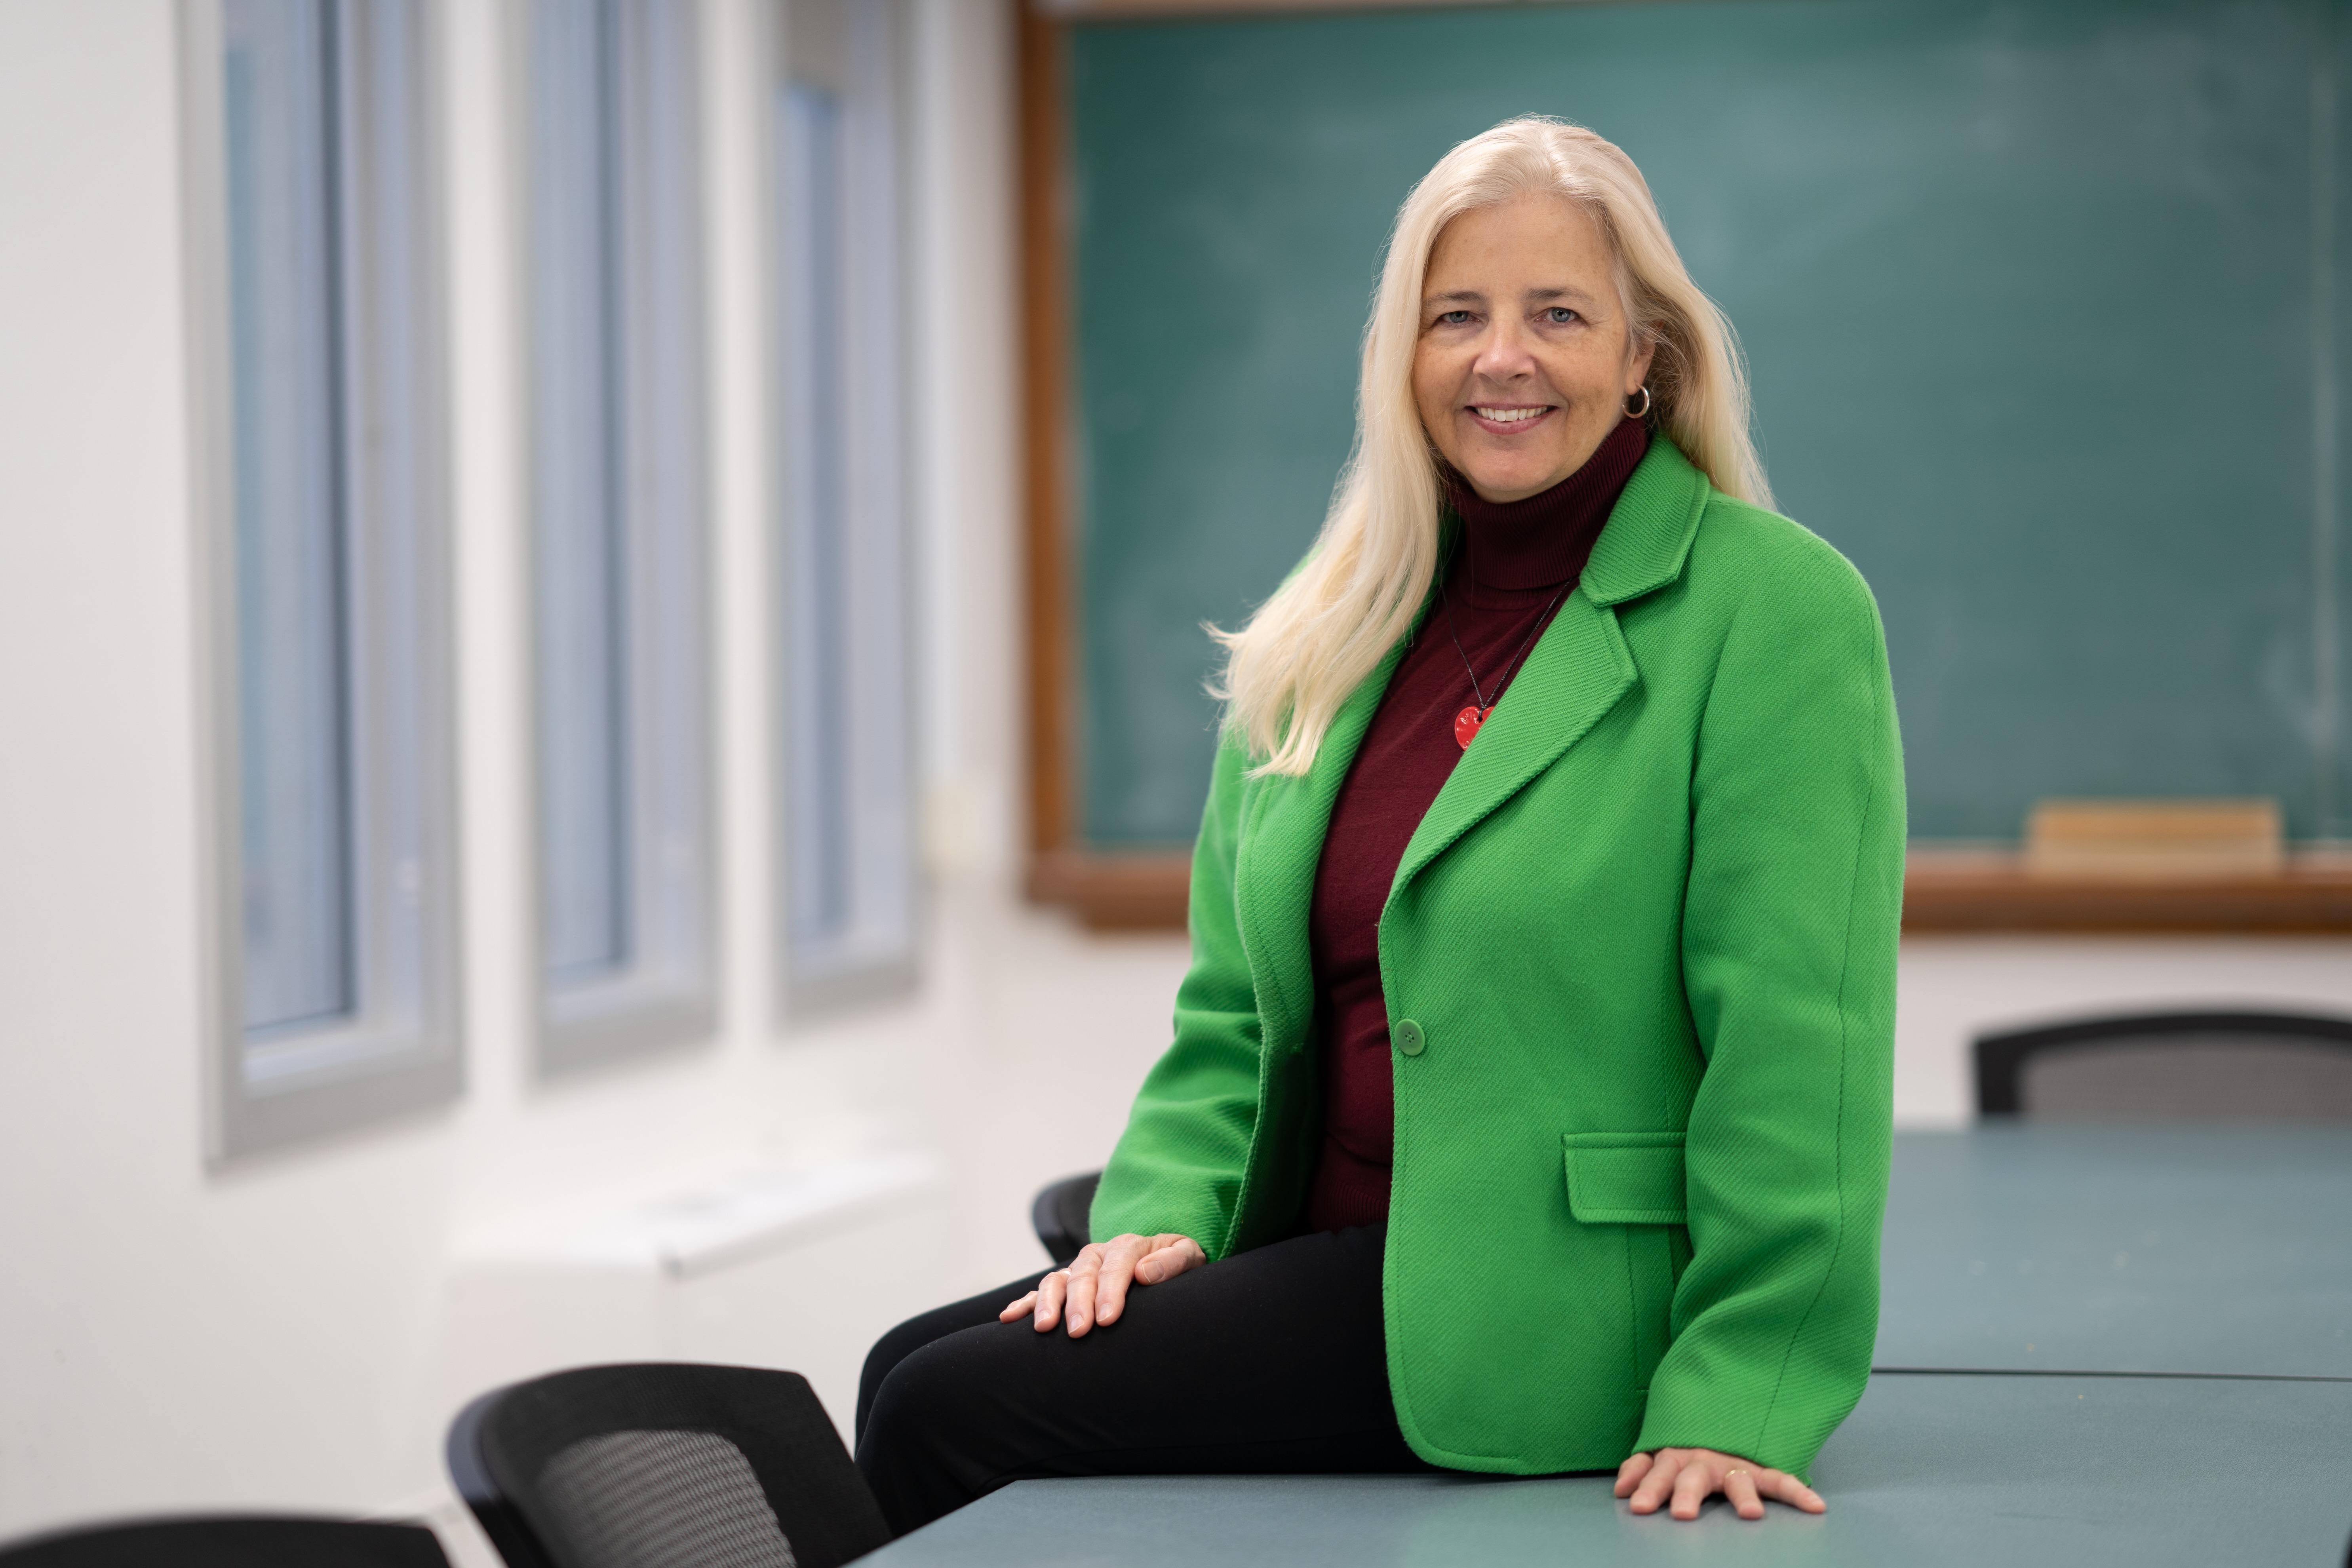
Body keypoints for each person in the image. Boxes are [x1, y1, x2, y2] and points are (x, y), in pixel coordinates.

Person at [855, 114, 1903, 1535]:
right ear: (1401, 358)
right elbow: (1231, 1009)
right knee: (902, 1366)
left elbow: (1798, 1043)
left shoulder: (1769, 608)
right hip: (1316, 1236)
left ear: (1641, 353)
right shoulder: (1338, 617)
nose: (1500, 358)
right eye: (1454, 315)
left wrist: (1743, 1382)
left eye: (1557, 315)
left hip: (1541, 1293)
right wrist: (1153, 1216)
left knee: (941, 1412)